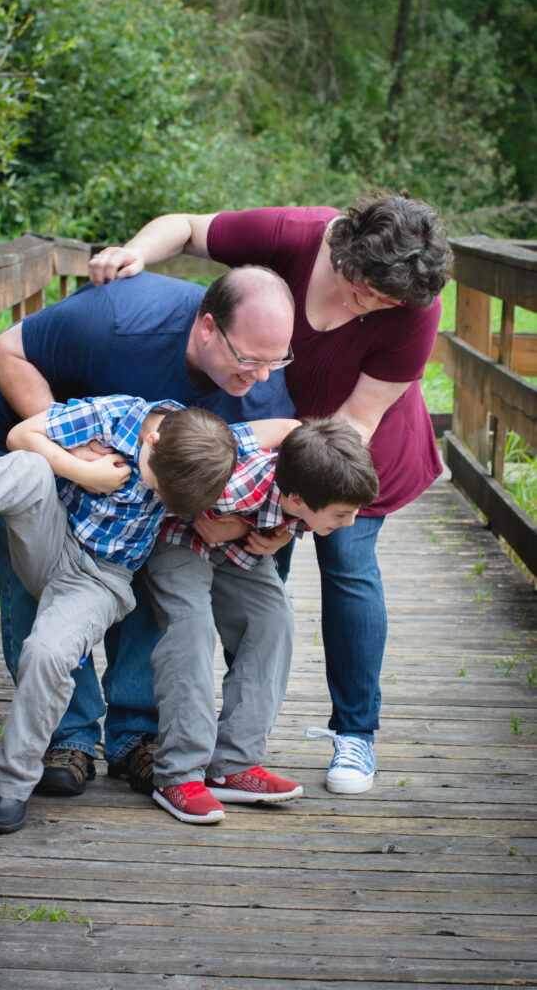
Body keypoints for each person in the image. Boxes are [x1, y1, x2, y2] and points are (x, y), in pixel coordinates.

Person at [88, 191, 454, 794]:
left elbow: (356, 425)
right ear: (348, 251)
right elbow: (185, 228)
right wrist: (134, 252)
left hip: (349, 457)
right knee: (257, 581)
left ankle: (355, 734)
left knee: (349, 564)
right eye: (368, 291)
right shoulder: (295, 233)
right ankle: (229, 746)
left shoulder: (413, 308)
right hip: (259, 444)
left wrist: (295, 519)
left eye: (391, 302)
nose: (376, 307)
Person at [0, 266, 296, 796]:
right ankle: (65, 735)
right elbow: (6, 352)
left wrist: (279, 533)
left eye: (277, 360)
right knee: (38, 593)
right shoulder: (119, 320)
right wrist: (69, 453)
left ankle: (133, 733)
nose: (262, 375)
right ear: (208, 328)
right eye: (250, 359)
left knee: (143, 572)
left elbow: (294, 458)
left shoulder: (260, 392)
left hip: (148, 479)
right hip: (31, 430)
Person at [0, 393, 264, 833]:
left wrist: (273, 529)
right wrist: (82, 470)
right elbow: (21, 435)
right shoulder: (114, 417)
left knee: (45, 652)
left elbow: (278, 437)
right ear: (151, 440)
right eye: (156, 485)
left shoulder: (208, 453)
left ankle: (11, 786)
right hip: (51, 536)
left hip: (100, 582)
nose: (156, 496)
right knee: (30, 467)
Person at [148, 415, 379, 824]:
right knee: (192, 630)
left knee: (274, 620)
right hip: (180, 536)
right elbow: (170, 478)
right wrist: (227, 520)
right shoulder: (234, 485)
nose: (350, 522)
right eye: (342, 514)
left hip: (238, 545)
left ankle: (232, 764)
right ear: (295, 499)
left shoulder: (303, 482)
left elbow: (299, 435)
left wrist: (285, 533)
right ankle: (179, 773)